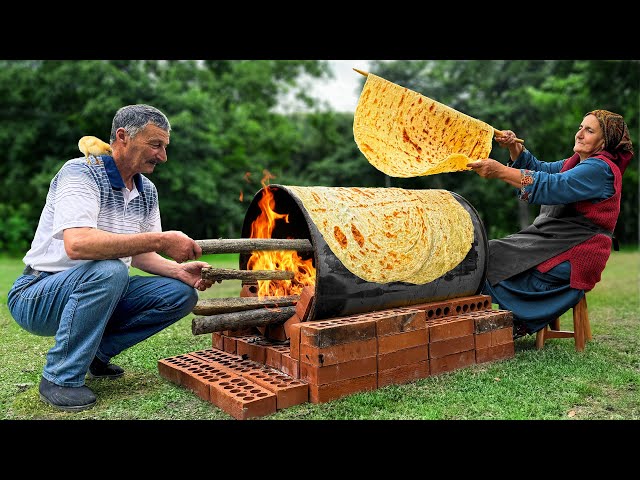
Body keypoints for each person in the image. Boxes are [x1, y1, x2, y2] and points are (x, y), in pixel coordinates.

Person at [7, 104, 215, 412]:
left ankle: (95, 354)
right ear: (123, 137)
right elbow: (77, 245)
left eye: (164, 147)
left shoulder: (147, 191)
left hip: (100, 287)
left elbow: (142, 254)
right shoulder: (80, 173)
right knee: (110, 270)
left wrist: (178, 271)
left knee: (181, 293)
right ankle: (59, 378)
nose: (162, 156)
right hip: (36, 294)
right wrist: (162, 239)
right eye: (155, 145)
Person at [467, 109, 633, 339]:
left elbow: (553, 185)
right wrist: (515, 147)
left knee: (492, 253)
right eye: (580, 127)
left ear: (604, 142)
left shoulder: (600, 169)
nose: (580, 134)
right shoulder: (577, 163)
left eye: (589, 130)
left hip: (578, 252)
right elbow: (541, 169)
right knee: (491, 250)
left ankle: (519, 320)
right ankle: (509, 319)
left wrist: (501, 171)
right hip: (557, 241)